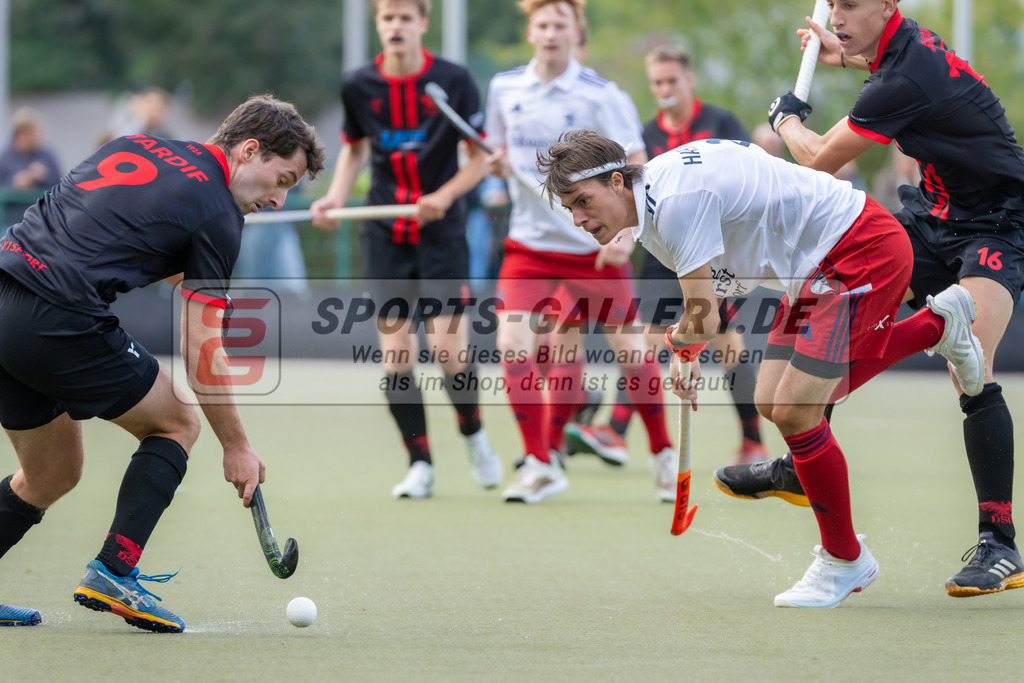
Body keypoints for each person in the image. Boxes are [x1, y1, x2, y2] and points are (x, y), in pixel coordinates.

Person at [537, 128, 984, 607]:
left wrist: (678, 343)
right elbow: (710, 308)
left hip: (858, 249)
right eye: (570, 209)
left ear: (618, 182)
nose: (579, 218)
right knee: (771, 399)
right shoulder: (654, 203)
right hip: (809, 272)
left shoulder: (674, 204)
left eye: (583, 200)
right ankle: (939, 325)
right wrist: (686, 348)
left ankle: (846, 560)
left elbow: (703, 320)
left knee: (796, 410)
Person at [730, 0, 1024, 598]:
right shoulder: (899, 48)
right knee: (843, 305)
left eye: (851, 5)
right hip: (927, 217)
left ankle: (1000, 543)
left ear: (887, 5)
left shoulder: (904, 76)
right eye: (833, 4)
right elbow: (874, 60)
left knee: (971, 370)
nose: (838, 13)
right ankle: (800, 457)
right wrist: (841, 51)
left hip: (997, 225)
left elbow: (816, 159)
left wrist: (786, 117)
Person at [0, 95, 325, 630]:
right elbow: (201, 350)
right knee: (176, 421)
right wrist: (236, 446)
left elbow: (112, 234)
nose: (280, 199)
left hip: (7, 297)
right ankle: (114, 571)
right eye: (282, 178)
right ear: (249, 151)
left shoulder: (136, 146)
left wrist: (208, 285)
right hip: (58, 317)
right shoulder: (218, 212)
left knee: (51, 474)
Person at [486, 0, 679, 504]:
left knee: (633, 356)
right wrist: (496, 165)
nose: (551, 33)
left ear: (576, 33)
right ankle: (539, 463)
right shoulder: (504, 89)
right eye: (543, 24)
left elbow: (637, 163)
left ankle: (662, 453)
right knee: (513, 348)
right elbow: (495, 150)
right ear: (530, 31)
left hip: (594, 247)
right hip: (528, 246)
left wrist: (624, 235)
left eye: (561, 25)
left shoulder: (601, 94)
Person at [310, 0, 502, 500]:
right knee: (396, 356)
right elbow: (355, 149)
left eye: (404, 18)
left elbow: (480, 159)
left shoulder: (451, 81)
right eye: (386, 18)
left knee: (448, 351)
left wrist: (443, 195)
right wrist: (334, 196)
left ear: (423, 23)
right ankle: (420, 464)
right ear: (378, 25)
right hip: (384, 233)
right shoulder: (359, 85)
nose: (395, 26)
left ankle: (473, 434)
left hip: (441, 234)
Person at [565, 44, 770, 479]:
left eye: (671, 81)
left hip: (712, 249)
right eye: (657, 82)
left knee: (725, 344)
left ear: (688, 80)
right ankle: (617, 431)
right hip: (662, 252)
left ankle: (753, 439)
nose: (664, 90)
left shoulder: (719, 122)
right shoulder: (644, 136)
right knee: (650, 341)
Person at [0, 108, 62, 227]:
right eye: (37, 132)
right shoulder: (4, 158)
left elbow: (60, 186)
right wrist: (14, 185)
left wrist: (44, 176)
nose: (41, 136)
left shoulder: (47, 155)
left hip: (43, 222)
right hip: (10, 223)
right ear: (23, 134)